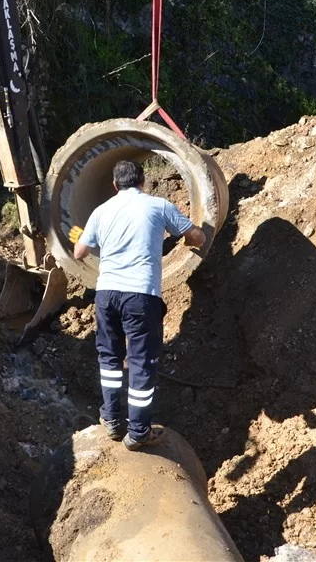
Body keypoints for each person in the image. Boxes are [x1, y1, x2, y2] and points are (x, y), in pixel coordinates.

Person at [69, 160, 206, 451]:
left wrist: (83, 235)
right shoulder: (159, 206)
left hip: (106, 294)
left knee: (109, 358)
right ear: (143, 181)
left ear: (114, 185)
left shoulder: (101, 211)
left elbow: (79, 252)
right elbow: (197, 237)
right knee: (141, 362)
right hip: (141, 295)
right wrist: (195, 234)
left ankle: (111, 419)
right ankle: (139, 432)